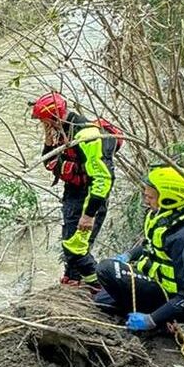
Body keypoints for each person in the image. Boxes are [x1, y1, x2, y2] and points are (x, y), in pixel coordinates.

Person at [94, 164, 184, 339]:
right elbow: (154, 246)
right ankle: (148, 308)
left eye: (150, 197)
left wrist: (151, 319)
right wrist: (129, 255)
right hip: (163, 285)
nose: (146, 200)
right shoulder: (172, 214)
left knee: (106, 269)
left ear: (170, 198)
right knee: (102, 301)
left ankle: (161, 321)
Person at [30, 91, 120, 287]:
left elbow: (103, 178)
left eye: (44, 121)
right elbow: (49, 161)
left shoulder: (86, 137)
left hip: (89, 197)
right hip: (73, 193)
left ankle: (101, 285)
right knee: (69, 242)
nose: (42, 124)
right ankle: (73, 281)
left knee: (76, 249)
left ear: (54, 117)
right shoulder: (63, 130)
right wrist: (48, 136)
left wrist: (89, 214)